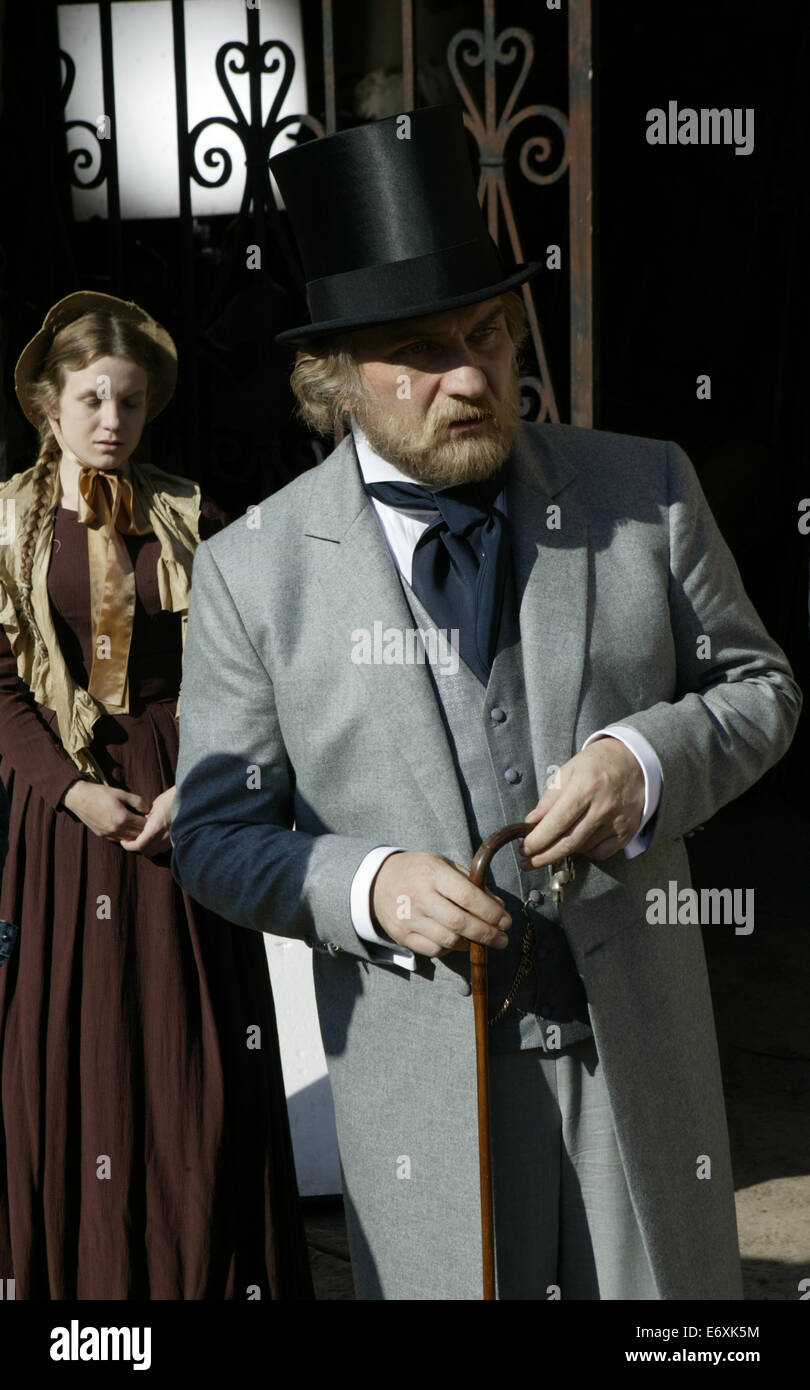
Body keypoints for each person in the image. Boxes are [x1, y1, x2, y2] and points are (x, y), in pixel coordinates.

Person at [171, 106, 802, 1300]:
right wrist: (366, 885)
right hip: (426, 1085)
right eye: (422, 352)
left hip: (642, 1062)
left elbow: (762, 688)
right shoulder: (253, 573)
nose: (471, 376)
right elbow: (215, 833)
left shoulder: (644, 489)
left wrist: (649, 758)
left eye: (490, 335)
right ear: (335, 382)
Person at [0, 292, 313, 1300]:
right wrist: (68, 792)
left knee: (193, 1049)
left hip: (184, 804)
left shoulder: (191, 514)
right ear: (50, 403)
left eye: (130, 404)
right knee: (71, 1053)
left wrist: (206, 783)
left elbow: (251, 673)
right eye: (92, 399)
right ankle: (85, 1297)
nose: (111, 422)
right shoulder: (7, 524)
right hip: (65, 821)